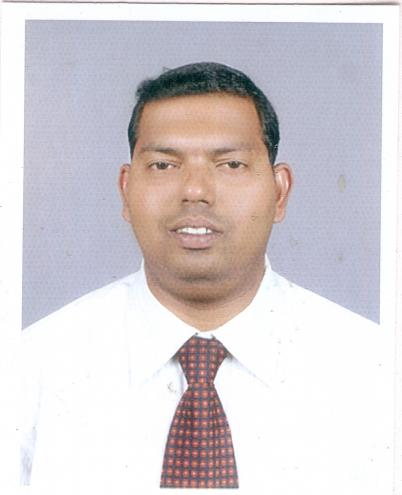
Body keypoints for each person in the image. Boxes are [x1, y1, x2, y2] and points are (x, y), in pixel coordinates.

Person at [21, 62, 392, 493]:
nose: (195, 190)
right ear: (125, 189)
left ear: (279, 192)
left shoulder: (376, 372)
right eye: (163, 165)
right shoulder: (31, 369)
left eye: (231, 164)